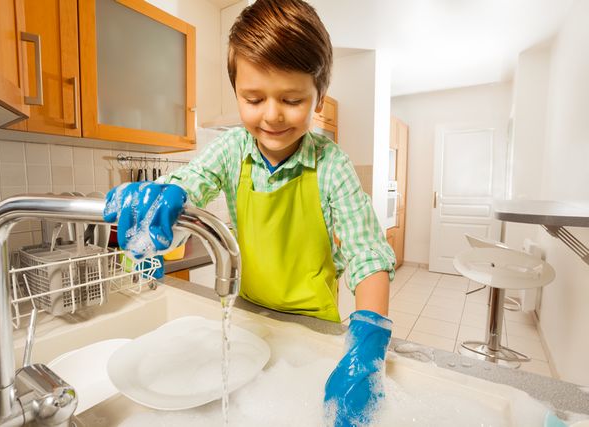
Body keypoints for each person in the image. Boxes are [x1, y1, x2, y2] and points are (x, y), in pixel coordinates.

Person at [103, 0, 396, 425]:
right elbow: (192, 182)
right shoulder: (231, 149)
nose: (272, 115)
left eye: (292, 99)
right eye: (254, 98)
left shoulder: (332, 165)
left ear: (319, 98)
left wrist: (368, 343)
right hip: (248, 319)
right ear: (237, 91)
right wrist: (166, 196)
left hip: (314, 330)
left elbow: (367, 255)